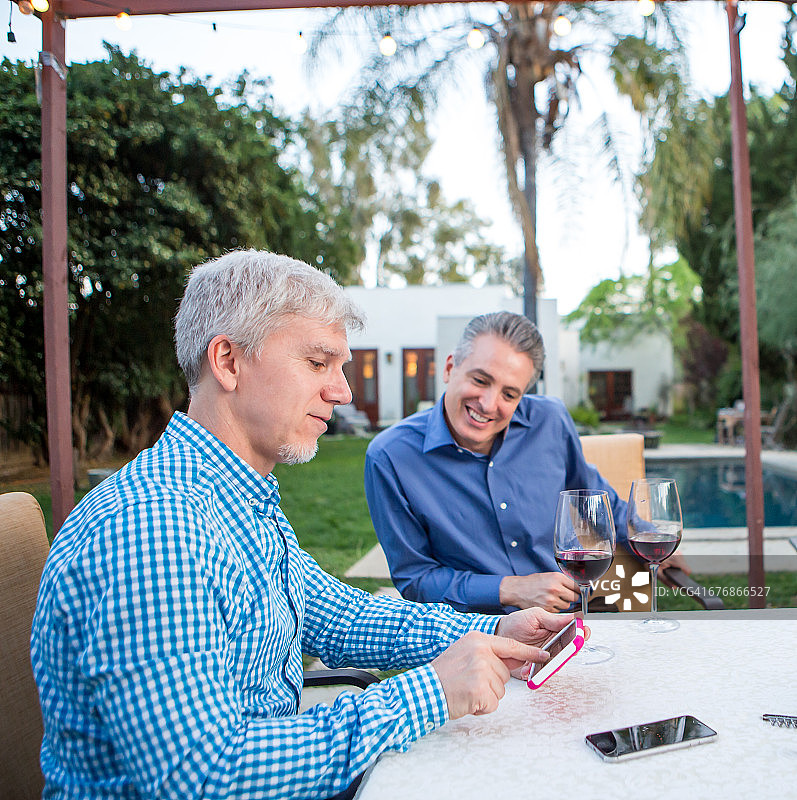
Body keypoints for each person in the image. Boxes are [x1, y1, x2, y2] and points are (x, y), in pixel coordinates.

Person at [31, 252, 578, 800]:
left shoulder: (238, 498)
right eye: (319, 364)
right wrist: (430, 693)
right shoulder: (154, 529)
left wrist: (489, 633)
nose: (342, 392)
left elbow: (341, 615)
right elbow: (202, 776)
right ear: (227, 360)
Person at [364, 310, 686, 615]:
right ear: (450, 368)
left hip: (569, 621)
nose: (488, 404)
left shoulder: (551, 420)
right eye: (479, 380)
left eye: (509, 394)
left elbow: (594, 501)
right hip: (473, 638)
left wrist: (649, 540)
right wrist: (512, 589)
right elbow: (416, 579)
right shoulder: (391, 457)